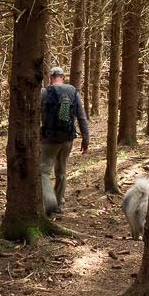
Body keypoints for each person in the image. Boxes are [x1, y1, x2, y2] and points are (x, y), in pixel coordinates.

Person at [39, 66, 89, 215]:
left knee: (43, 172)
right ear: (63, 77)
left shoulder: (44, 92)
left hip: (49, 139)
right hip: (67, 139)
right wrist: (85, 139)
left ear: (50, 77)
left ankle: (50, 200)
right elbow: (81, 117)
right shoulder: (73, 91)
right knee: (61, 171)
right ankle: (59, 203)